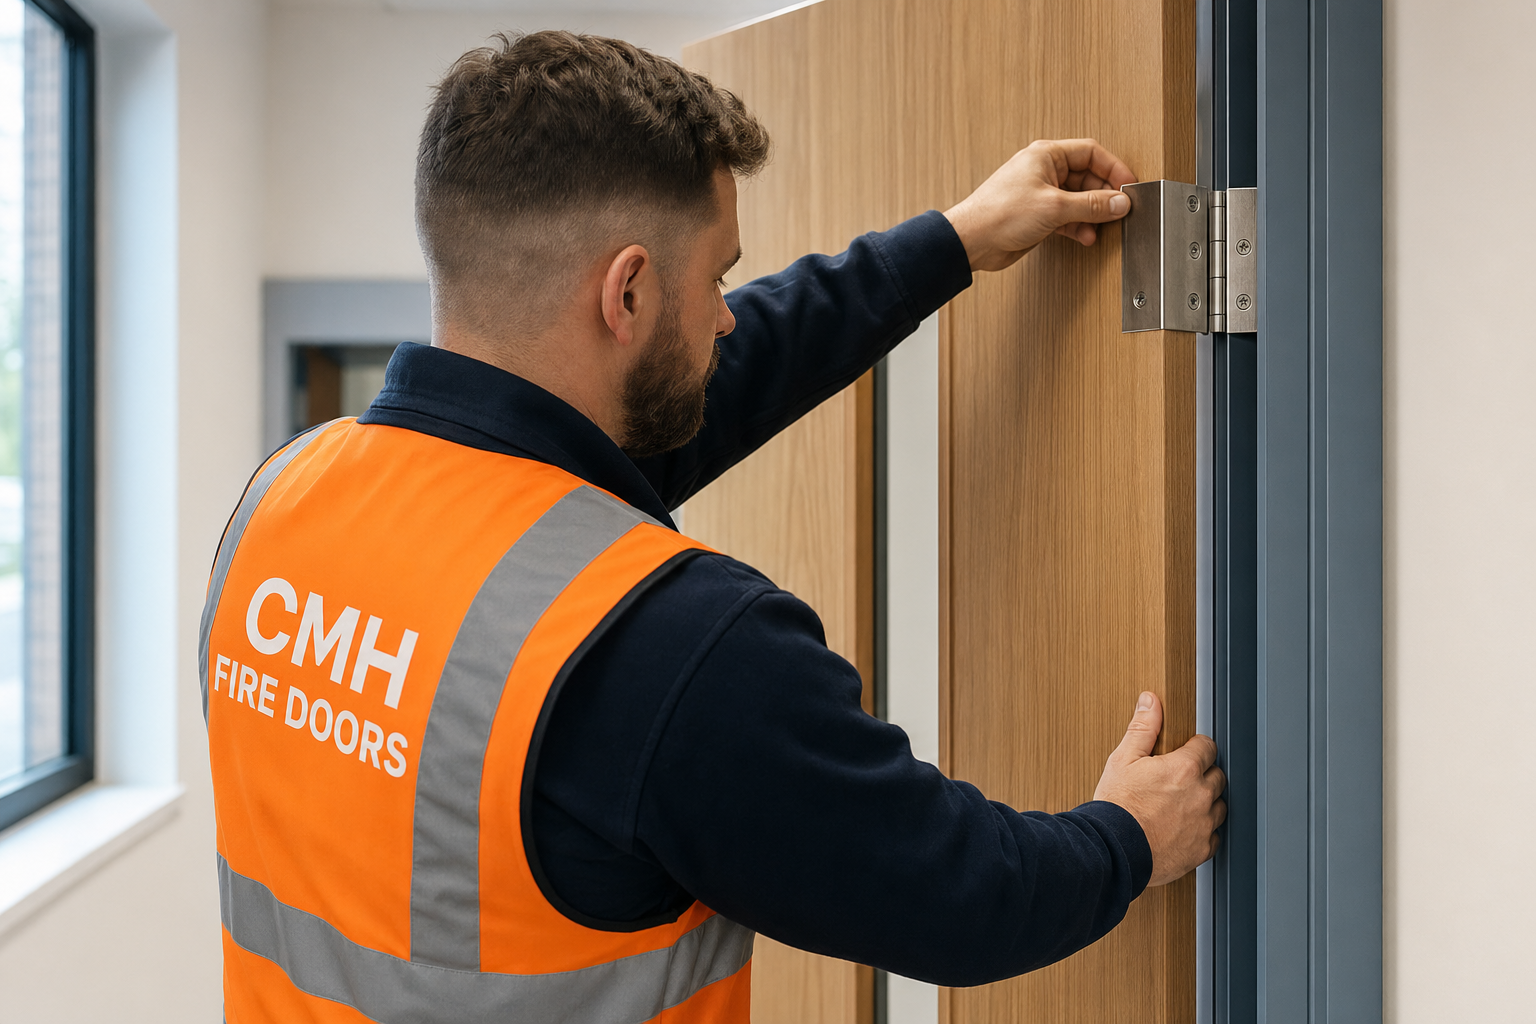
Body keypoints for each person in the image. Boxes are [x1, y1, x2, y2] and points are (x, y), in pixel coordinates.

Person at [201, 30, 1226, 1023]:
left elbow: (686, 396)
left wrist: (951, 243)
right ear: (629, 291)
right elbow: (959, 894)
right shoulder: (672, 645)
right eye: (718, 279)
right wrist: (1128, 838)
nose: (729, 315)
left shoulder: (282, 501)